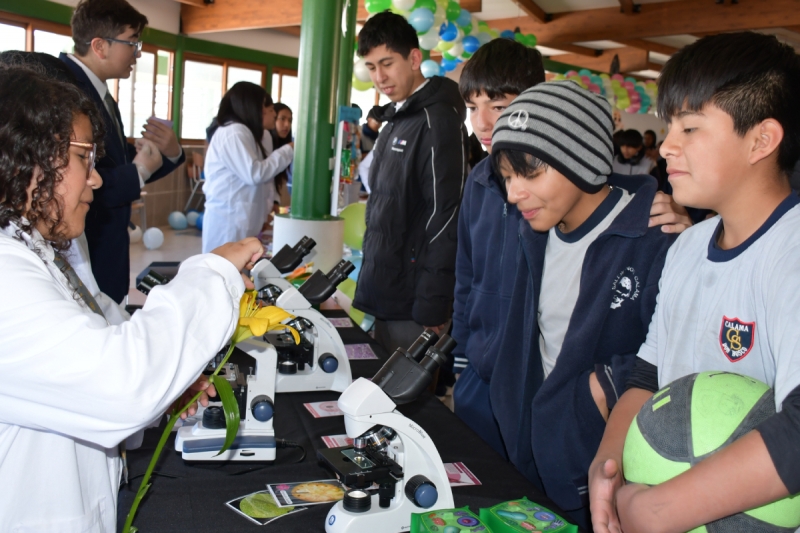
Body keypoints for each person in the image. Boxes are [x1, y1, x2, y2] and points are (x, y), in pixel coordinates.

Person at [0, 65, 263, 532]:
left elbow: (82, 362)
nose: (97, 181)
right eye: (85, 158)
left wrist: (166, 392)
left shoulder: (27, 248)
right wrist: (212, 271)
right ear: (29, 159)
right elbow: (121, 384)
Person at [589, 32, 800, 533]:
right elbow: (647, 374)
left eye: (690, 127)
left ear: (762, 140)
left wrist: (663, 510)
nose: (667, 146)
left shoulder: (791, 251)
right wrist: (608, 466)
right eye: (669, 127)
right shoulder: (687, 245)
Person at [487, 81, 677, 529]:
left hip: (609, 468)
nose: (515, 194)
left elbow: (676, 353)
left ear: (582, 159)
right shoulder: (532, 233)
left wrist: (599, 391)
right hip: (531, 448)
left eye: (530, 173)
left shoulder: (655, 237)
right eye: (507, 177)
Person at [450, 37, 545, 458]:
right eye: (473, 108)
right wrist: (459, 356)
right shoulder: (477, 182)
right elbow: (466, 276)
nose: (483, 122)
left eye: (499, 106)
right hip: (478, 374)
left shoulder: (560, 188)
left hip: (536, 384)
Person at [352, 11, 468, 353]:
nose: (379, 77)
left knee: (409, 404)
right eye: (371, 67)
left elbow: (446, 215)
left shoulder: (437, 120)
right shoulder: (396, 120)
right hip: (386, 291)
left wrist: (433, 303)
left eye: (387, 63)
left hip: (414, 302)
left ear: (415, 58)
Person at [60, 0, 186, 304]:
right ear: (100, 46)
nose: (138, 53)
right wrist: (138, 170)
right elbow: (77, 179)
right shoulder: (65, 90)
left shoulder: (102, 93)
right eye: (132, 43)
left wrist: (168, 152)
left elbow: (116, 162)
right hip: (86, 240)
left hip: (110, 245)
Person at [202, 82, 293, 253]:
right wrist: (288, 150)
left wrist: (267, 207)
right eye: (269, 109)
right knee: (223, 273)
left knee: (238, 273)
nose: (273, 114)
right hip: (228, 222)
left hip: (243, 220)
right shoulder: (233, 132)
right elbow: (255, 173)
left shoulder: (252, 133)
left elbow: (264, 181)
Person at [271, 102, 293, 206]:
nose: (287, 124)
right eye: (282, 119)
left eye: (290, 120)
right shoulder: (266, 145)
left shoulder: (286, 146)